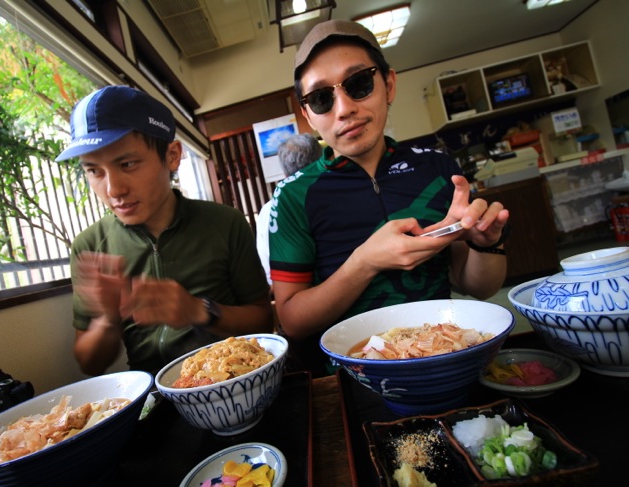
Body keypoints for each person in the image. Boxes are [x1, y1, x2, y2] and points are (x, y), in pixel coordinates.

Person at [269, 20, 510, 377]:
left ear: (389, 84)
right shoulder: (293, 196)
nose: (344, 108)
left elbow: (477, 285)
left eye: (359, 84)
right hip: (355, 375)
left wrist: (485, 243)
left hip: (445, 356)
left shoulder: (437, 168)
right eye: (322, 98)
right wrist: (364, 262)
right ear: (308, 114)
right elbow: (291, 321)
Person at [55, 85, 273, 376]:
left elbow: (264, 321)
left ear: (171, 156)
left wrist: (200, 311)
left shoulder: (225, 222)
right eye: (94, 170)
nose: (113, 190)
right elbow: (89, 363)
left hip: (231, 378)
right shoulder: (91, 245)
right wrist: (106, 321)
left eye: (127, 163)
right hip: (150, 395)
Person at [256, 133, 322, 286]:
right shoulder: (340, 194)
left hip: (292, 295)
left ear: (285, 172)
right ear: (322, 162)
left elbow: (268, 270)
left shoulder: (269, 210)